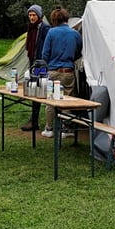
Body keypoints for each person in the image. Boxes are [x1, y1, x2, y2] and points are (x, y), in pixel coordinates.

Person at [40, 7, 82, 138]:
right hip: (68, 71)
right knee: (67, 100)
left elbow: (44, 54)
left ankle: (49, 128)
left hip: (53, 71)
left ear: (54, 19)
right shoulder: (74, 33)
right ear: (66, 19)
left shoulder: (51, 33)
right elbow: (79, 50)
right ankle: (66, 129)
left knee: (51, 100)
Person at [20, 5, 50, 131]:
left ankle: (36, 121)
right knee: (34, 89)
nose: (32, 17)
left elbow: (46, 46)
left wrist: (43, 61)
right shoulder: (31, 28)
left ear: (39, 16)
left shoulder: (44, 28)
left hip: (40, 63)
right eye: (30, 15)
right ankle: (34, 120)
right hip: (32, 61)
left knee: (39, 89)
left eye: (34, 15)